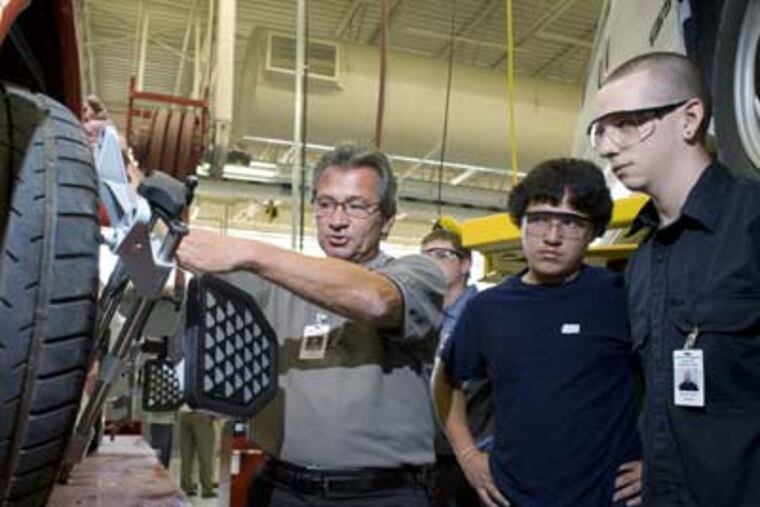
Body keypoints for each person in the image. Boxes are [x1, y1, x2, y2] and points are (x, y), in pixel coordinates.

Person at [177, 144, 445, 506]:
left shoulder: (418, 274)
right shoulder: (277, 284)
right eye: (325, 203)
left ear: (388, 219)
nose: (337, 219)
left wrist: (251, 252)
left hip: (379, 495)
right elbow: (170, 249)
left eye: (355, 205)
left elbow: (375, 300)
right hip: (282, 489)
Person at [589, 51, 760, 507]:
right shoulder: (643, 260)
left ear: (688, 119)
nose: (608, 146)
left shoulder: (753, 223)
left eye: (626, 122)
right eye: (601, 129)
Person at [432, 158, 642, 507]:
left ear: (593, 231)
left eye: (571, 223)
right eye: (539, 219)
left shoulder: (621, 296)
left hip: (607, 497)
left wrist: (661, 462)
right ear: (521, 223)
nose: (552, 237)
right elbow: (446, 381)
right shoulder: (489, 308)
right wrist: (467, 455)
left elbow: (669, 380)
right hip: (513, 496)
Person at [420, 229, 489, 507]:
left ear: (465, 264)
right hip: (427, 456)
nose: (431, 263)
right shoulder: (423, 317)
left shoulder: (484, 313)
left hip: (470, 457)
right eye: (425, 257)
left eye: (441, 255)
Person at [179, 408, 217, 498]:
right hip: (202, 414)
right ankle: (207, 489)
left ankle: (186, 486)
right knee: (205, 454)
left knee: (186, 455)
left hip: (184, 414)